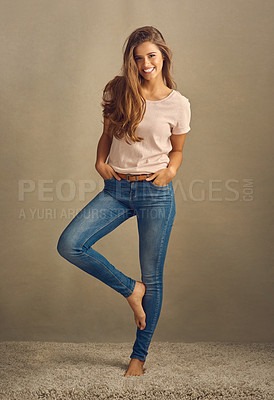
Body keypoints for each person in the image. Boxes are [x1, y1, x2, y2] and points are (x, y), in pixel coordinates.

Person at [57, 25, 191, 377]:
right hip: (117, 189)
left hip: (155, 192)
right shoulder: (119, 90)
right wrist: (100, 162)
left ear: (163, 56)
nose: (146, 63)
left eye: (152, 56)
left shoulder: (178, 104)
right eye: (138, 58)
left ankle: (138, 358)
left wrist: (171, 171)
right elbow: (106, 134)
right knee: (71, 244)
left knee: (154, 277)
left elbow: (176, 151)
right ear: (131, 61)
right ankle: (131, 290)